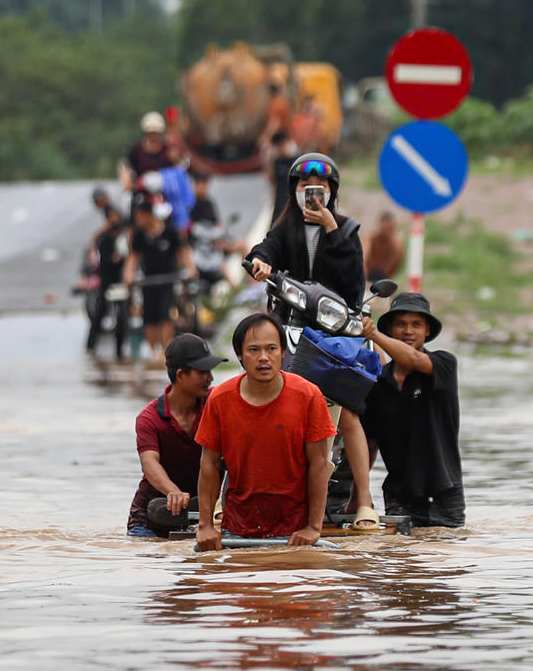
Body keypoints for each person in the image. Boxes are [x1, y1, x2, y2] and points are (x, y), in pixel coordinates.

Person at [245, 153, 377, 525]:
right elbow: (263, 250)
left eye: (320, 188)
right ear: (294, 191)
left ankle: (364, 500)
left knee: (348, 410)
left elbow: (353, 282)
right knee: (264, 396)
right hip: (289, 326)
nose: (312, 194)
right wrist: (259, 262)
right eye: (304, 187)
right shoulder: (284, 228)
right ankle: (241, 493)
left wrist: (332, 230)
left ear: (332, 191)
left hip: (333, 333)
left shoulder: (348, 231)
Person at [194, 313, 336, 550]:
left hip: (295, 531)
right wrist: (205, 525)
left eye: (271, 349)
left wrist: (313, 527)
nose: (263, 358)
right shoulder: (220, 399)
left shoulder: (308, 395)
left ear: (283, 353)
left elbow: (319, 465)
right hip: (237, 528)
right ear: (240, 355)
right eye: (253, 350)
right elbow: (208, 465)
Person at [359, 293, 465, 528]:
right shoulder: (378, 384)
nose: (408, 331)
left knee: (444, 559)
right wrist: (360, 497)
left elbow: (414, 360)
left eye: (416, 325)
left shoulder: (443, 365)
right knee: (401, 560)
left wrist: (373, 334)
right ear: (391, 330)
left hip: (444, 492)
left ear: (427, 331)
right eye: (401, 324)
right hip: (399, 496)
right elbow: (369, 445)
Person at [127, 334, 227, 537]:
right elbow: (149, 462)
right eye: (203, 372)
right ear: (181, 375)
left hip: (203, 515)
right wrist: (173, 491)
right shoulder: (149, 418)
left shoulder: (216, 403)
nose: (210, 378)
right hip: (152, 517)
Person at [124, 200, 196, 366]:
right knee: (149, 318)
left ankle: (165, 351)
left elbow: (183, 251)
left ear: (149, 215)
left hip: (167, 280)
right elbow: (133, 257)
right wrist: (128, 274)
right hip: (148, 281)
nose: (139, 220)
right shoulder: (140, 234)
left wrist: (190, 268)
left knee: (165, 316)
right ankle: (153, 351)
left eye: (140, 216)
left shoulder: (170, 231)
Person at [80, 187, 129, 360]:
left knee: (120, 313)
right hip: (107, 276)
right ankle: (91, 346)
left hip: (117, 276)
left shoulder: (114, 224)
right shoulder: (107, 238)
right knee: (101, 310)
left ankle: (118, 349)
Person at [121, 112, 178, 191]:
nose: (153, 136)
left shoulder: (168, 150)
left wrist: (176, 160)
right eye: (150, 133)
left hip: (165, 194)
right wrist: (126, 180)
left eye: (156, 133)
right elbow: (126, 166)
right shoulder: (137, 150)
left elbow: (177, 170)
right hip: (142, 194)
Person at [364, 211, 404, 283]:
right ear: (381, 224)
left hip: (384, 278)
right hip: (368, 277)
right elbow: (364, 256)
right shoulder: (371, 239)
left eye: (392, 228)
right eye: (388, 228)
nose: (390, 231)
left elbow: (396, 264)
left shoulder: (397, 245)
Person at [266, 131, 297, 222]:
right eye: (277, 146)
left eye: (281, 145)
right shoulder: (277, 162)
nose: (280, 149)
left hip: (293, 202)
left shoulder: (296, 161)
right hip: (280, 203)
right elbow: (272, 181)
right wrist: (269, 160)